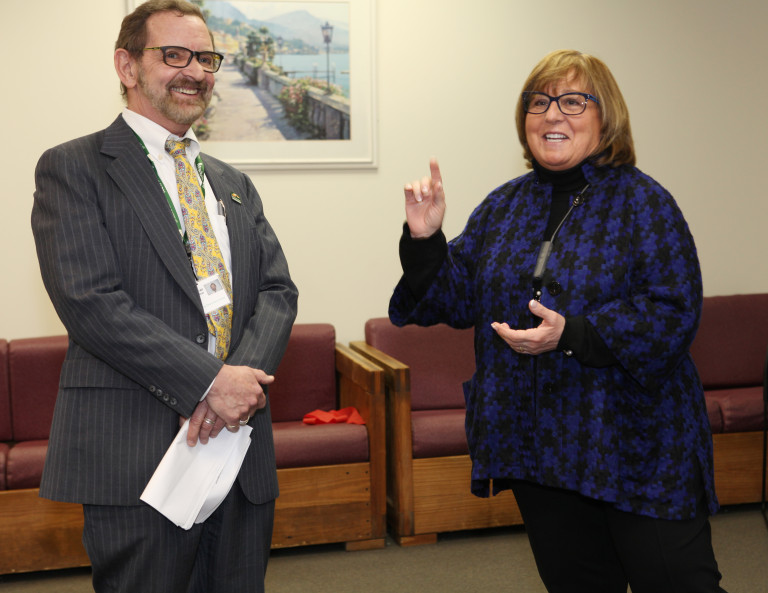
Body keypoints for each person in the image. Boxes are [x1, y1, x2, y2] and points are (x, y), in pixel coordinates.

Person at [390, 49, 726, 593]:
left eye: (572, 101)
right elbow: (449, 300)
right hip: (537, 446)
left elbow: (673, 311)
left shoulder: (646, 204)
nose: (552, 115)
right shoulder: (503, 206)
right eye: (538, 102)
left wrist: (571, 334)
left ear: (605, 115)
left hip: (635, 444)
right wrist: (426, 241)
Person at [31, 1, 298, 592]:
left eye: (206, 58)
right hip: (135, 451)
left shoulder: (232, 182)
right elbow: (91, 301)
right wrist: (208, 382)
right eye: (173, 55)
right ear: (127, 66)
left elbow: (278, 290)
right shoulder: (73, 168)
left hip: (237, 446)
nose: (195, 71)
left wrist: (235, 385)